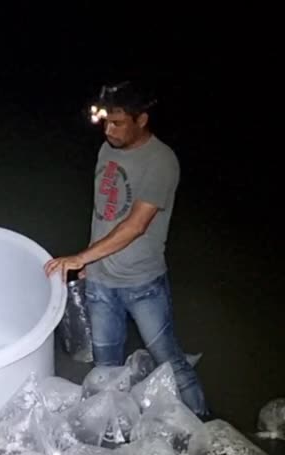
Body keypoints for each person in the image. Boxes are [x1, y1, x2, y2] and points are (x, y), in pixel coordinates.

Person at [45, 80, 212, 419]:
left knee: (170, 361)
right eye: (106, 121)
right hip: (100, 282)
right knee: (106, 367)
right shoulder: (107, 149)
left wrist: (79, 258)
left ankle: (206, 424)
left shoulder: (161, 161)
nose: (109, 130)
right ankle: (116, 432)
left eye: (118, 122)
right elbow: (103, 212)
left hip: (142, 284)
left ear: (142, 120)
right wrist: (91, 261)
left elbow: (136, 226)